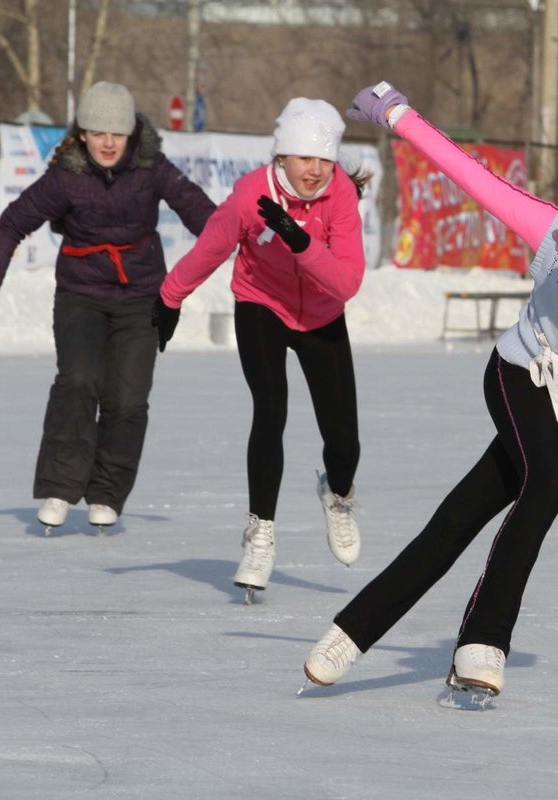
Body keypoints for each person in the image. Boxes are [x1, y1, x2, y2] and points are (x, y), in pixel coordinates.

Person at [300, 83, 558, 702]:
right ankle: (483, 642)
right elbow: (469, 176)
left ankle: (352, 629)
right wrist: (399, 112)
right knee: (547, 484)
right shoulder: (557, 228)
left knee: (461, 517)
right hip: (519, 373)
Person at [0, 81, 215, 532]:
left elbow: (201, 212)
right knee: (78, 379)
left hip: (142, 296)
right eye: (98, 132)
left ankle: (106, 492)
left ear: (130, 135)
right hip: (80, 295)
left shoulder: (152, 168)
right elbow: (12, 224)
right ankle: (61, 487)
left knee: (128, 397)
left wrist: (236, 246)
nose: (107, 142)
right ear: (82, 134)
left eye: (116, 134)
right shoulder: (66, 175)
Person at [155, 98, 368, 601]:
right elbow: (211, 247)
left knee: (345, 441)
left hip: (321, 313)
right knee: (270, 410)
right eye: (304, 158)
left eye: (324, 159)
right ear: (282, 158)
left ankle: (338, 495)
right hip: (261, 305)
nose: (315, 170)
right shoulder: (252, 195)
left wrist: (300, 242)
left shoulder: (339, 195)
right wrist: (169, 298)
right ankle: (260, 533)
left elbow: (347, 281)